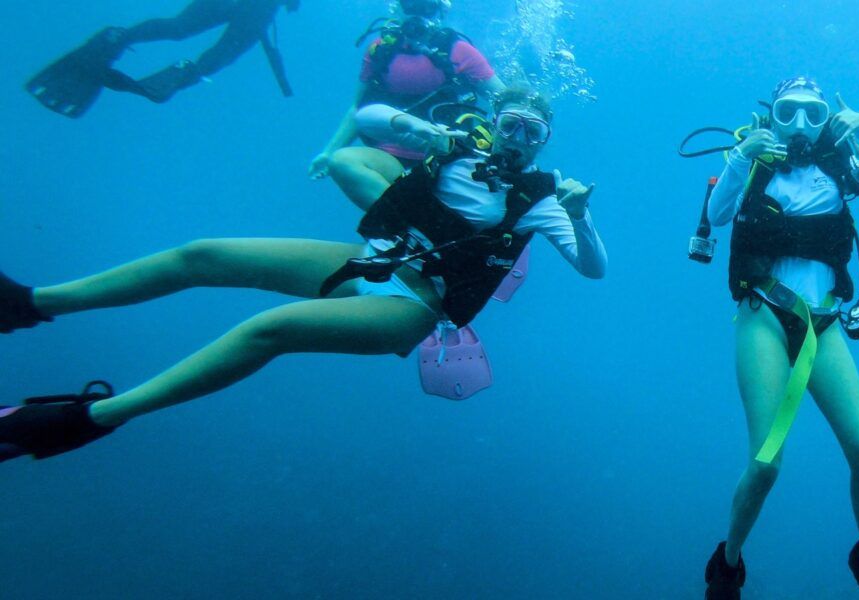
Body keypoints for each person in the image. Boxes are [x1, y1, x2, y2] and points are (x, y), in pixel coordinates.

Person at [0, 88, 606, 463]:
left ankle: (82, 422)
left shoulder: (542, 196)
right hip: (377, 261)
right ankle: (28, 302)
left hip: (415, 306)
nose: (519, 140)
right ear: (494, 121)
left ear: (543, 143)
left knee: (270, 328)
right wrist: (421, 131)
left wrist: (582, 217)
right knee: (201, 254)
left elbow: (592, 269)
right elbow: (365, 122)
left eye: (534, 133)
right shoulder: (451, 147)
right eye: (513, 124)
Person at [698, 77, 859, 600]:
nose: (800, 126)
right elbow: (719, 214)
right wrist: (742, 157)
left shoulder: (839, 162)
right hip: (764, 315)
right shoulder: (755, 162)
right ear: (772, 114)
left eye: (813, 114)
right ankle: (727, 566)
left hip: (825, 322)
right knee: (766, 463)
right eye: (788, 112)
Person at [309, 0, 510, 212]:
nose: (418, 13)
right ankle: (407, 231)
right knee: (342, 161)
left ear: (441, 11)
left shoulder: (459, 52)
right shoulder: (381, 50)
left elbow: (506, 104)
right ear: (398, 8)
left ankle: (420, 227)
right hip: (391, 157)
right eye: (410, 5)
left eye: (427, 7)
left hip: (449, 161)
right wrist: (329, 151)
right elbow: (358, 108)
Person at [24, 0, 299, 118]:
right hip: (260, 8)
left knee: (179, 27)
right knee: (219, 55)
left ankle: (120, 37)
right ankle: (186, 72)